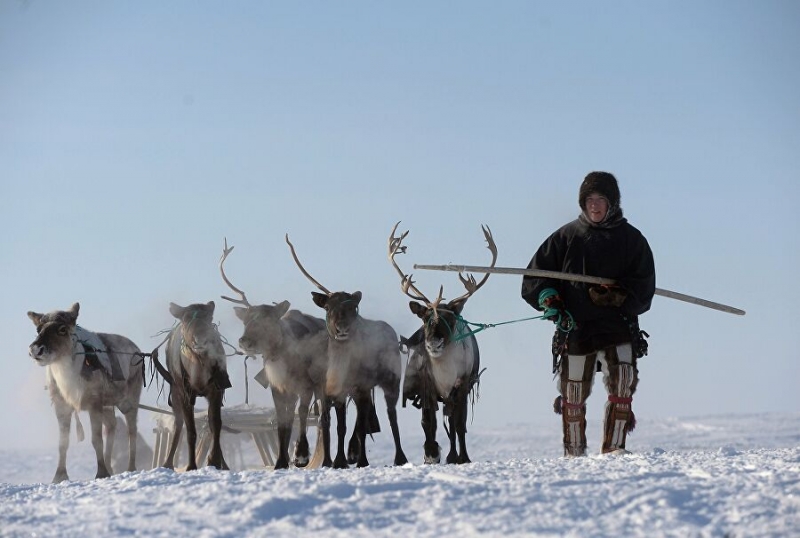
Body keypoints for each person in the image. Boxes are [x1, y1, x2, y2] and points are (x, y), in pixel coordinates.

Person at [521, 171, 656, 456]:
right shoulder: (566, 237)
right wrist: (550, 299)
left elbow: (644, 287)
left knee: (623, 381)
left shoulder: (632, 240)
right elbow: (535, 278)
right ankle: (574, 455)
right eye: (589, 200)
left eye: (601, 200)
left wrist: (620, 294)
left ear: (613, 203)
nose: (594, 206)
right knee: (572, 393)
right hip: (577, 325)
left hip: (618, 325)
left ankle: (614, 452)